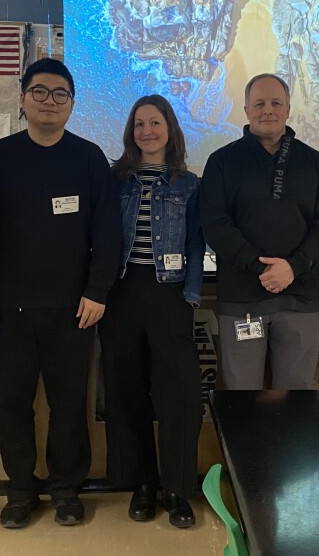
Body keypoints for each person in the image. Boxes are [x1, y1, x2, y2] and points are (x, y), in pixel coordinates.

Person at [0, 58, 120, 529]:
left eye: (60, 94)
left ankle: (65, 489)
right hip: (8, 309)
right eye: (40, 92)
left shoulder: (89, 158)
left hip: (74, 309)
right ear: (23, 98)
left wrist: (98, 291)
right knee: (13, 404)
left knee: (68, 404)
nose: (49, 101)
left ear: (72, 104)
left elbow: (108, 233)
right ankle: (20, 490)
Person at [99, 95, 204, 529]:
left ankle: (177, 488)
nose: (147, 131)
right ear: (130, 132)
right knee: (126, 392)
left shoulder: (189, 184)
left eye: (155, 122)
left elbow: (197, 243)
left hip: (169, 294)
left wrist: (192, 293)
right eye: (139, 123)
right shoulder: (114, 179)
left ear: (170, 129)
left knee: (179, 395)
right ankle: (141, 484)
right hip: (121, 293)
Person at [200, 73, 319, 390]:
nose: (268, 110)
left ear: (288, 108)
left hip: (299, 297)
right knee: (242, 404)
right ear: (246, 110)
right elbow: (215, 225)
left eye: (276, 103)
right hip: (241, 301)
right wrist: (261, 267)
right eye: (259, 103)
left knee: (295, 406)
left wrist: (293, 267)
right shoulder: (222, 162)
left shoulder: (314, 163)